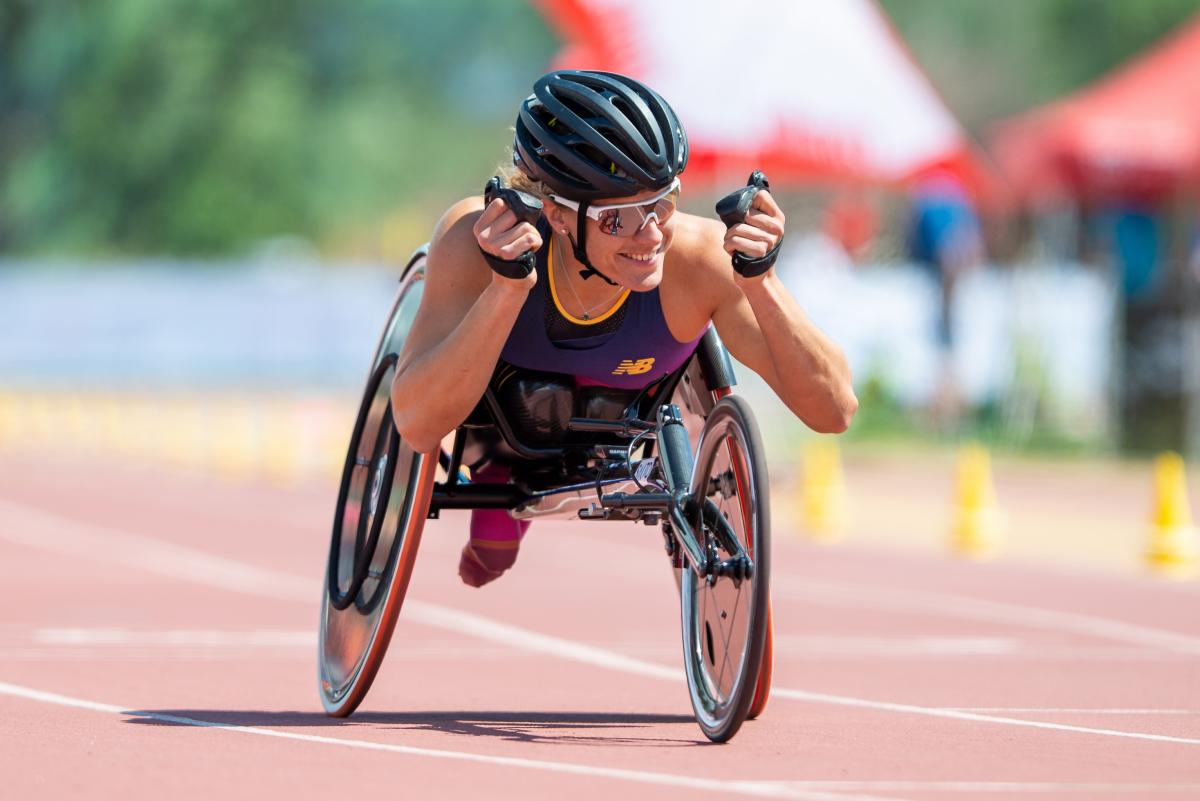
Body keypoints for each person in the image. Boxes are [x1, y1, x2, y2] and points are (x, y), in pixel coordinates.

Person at [390, 70, 857, 587]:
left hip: (629, 411)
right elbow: (417, 424)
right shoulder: (476, 239)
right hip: (504, 424)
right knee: (491, 556)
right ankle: (498, 471)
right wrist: (506, 289)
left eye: (662, 202)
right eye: (618, 218)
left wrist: (762, 282)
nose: (650, 234)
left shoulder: (698, 262)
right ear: (558, 215)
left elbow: (834, 410)